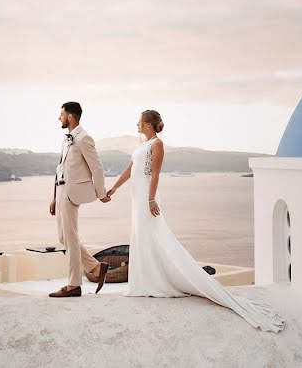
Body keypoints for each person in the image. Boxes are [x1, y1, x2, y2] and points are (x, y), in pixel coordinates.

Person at [105, 110, 284, 332]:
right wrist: (113, 188)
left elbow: (156, 174)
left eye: (139, 122)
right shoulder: (141, 146)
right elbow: (131, 169)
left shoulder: (156, 145)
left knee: (154, 235)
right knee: (141, 236)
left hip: (145, 197)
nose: (136, 125)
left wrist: (151, 199)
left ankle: (158, 280)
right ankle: (144, 281)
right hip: (136, 197)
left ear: (149, 125)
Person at [48, 101, 111, 298]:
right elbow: (60, 168)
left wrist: (101, 193)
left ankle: (74, 284)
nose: (59, 118)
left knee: (71, 238)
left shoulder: (84, 138)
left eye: (61, 114)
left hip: (71, 193)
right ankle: (96, 267)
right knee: (64, 237)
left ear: (70, 116)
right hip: (61, 192)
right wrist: (53, 197)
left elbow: (97, 167)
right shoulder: (66, 139)